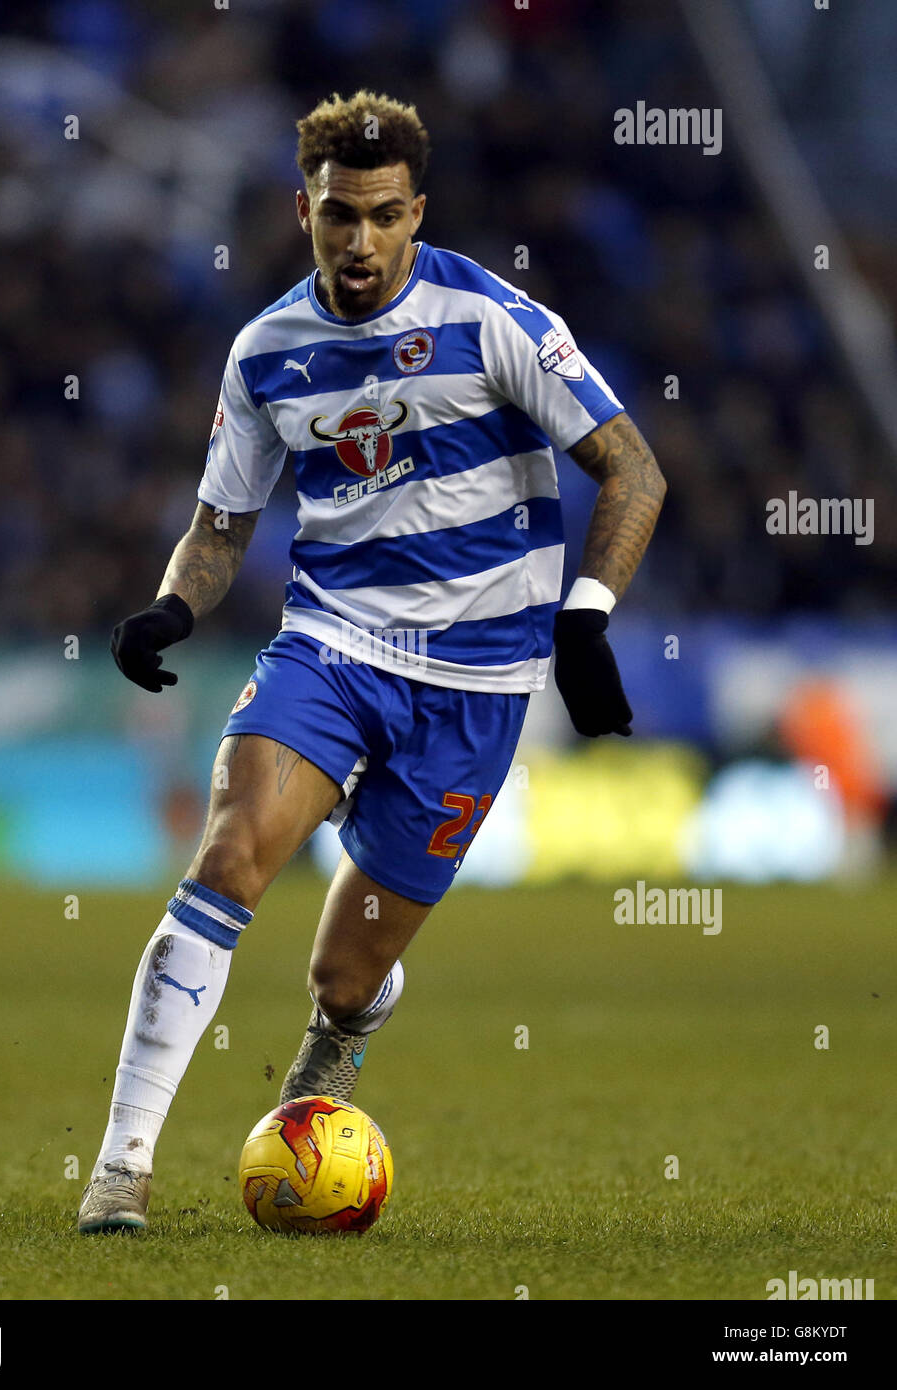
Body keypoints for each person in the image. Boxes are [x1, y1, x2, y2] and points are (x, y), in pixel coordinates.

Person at [77, 90, 666, 1234]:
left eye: (383, 216)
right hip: (333, 649)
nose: (359, 242)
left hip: (477, 687)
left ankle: (336, 1038)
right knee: (233, 851)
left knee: (342, 978)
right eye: (338, 216)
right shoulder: (266, 354)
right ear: (304, 210)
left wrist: (586, 619)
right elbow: (221, 524)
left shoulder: (497, 321)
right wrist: (168, 608)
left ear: (417, 214)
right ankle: (120, 1168)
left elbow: (634, 469)